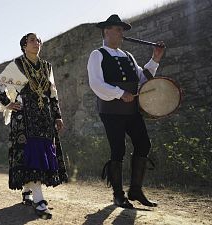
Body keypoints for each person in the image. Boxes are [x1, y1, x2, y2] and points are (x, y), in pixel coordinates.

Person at [87, 14, 165, 208]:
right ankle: (118, 194)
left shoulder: (128, 56)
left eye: (122, 30)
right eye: (118, 29)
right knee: (118, 149)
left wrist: (155, 59)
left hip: (131, 110)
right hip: (111, 111)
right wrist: (120, 93)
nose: (122, 33)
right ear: (107, 31)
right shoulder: (97, 54)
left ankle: (135, 190)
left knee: (143, 144)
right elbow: (96, 83)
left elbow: (143, 78)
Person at [0, 33, 68, 219]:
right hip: (24, 117)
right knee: (30, 153)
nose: (37, 43)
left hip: (45, 116)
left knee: (42, 152)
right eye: (32, 40)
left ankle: (28, 190)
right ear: (24, 45)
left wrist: (57, 116)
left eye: (39, 40)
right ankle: (39, 200)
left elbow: (52, 93)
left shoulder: (47, 66)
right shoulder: (17, 65)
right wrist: (7, 103)